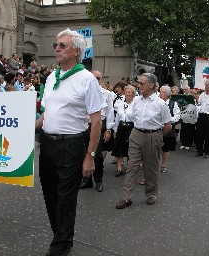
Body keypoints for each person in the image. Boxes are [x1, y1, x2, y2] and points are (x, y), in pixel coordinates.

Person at [35, 28, 104, 256]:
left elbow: (96, 121)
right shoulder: (52, 76)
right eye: (56, 45)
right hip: (47, 144)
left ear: (76, 51)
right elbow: (46, 114)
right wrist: (23, 130)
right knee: (50, 195)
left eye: (62, 45)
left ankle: (61, 246)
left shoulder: (86, 79)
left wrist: (90, 156)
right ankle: (60, 236)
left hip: (71, 145)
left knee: (65, 198)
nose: (56, 48)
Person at [116, 73, 172, 209]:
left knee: (151, 167)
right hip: (136, 134)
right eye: (138, 83)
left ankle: (151, 194)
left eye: (141, 83)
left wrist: (157, 137)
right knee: (131, 166)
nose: (138, 85)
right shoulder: (136, 100)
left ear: (151, 85)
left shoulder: (160, 104)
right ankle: (126, 197)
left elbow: (167, 125)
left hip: (153, 135)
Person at [80, 70, 114, 192]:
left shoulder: (106, 94)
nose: (95, 80)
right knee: (84, 153)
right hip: (84, 126)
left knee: (97, 155)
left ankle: (98, 180)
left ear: (101, 80)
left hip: (99, 126)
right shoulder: (82, 92)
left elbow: (110, 112)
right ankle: (86, 180)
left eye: (98, 78)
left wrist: (109, 129)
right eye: (93, 78)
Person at [112, 85, 136, 177]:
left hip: (131, 128)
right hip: (121, 127)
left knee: (131, 149)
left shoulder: (135, 105)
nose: (127, 94)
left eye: (129, 92)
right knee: (118, 148)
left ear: (133, 94)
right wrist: (115, 130)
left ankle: (130, 169)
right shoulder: (121, 105)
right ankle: (119, 168)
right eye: (126, 92)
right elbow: (117, 118)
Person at [159, 85, 180, 173]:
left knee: (166, 148)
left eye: (163, 92)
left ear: (167, 94)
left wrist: (169, 120)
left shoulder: (172, 103)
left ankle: (163, 165)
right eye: (161, 92)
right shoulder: (157, 102)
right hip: (157, 128)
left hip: (167, 128)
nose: (161, 94)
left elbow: (177, 115)